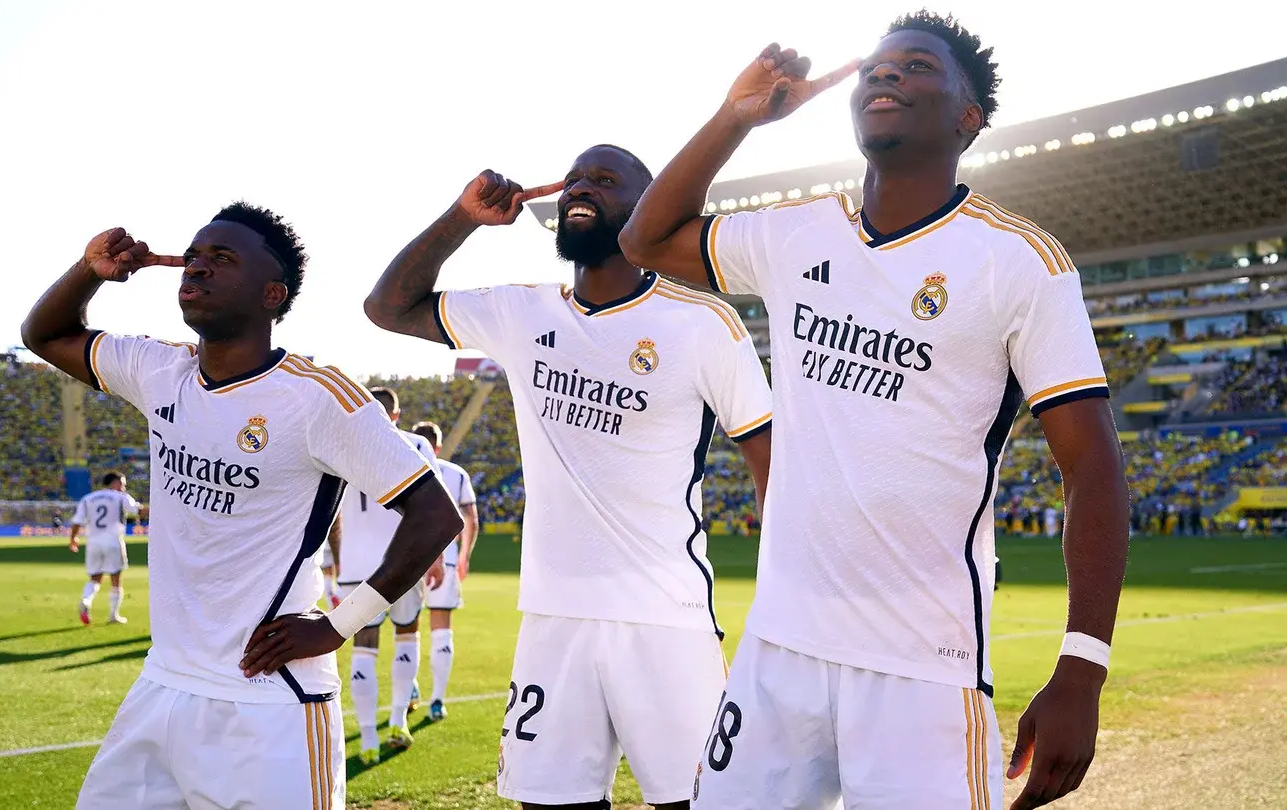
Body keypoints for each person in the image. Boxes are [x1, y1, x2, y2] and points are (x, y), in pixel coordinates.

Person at [620, 12, 1130, 809]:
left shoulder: (1018, 261)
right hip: (776, 653)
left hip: (922, 670)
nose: (884, 75)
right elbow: (645, 240)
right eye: (875, 67)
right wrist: (735, 119)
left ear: (970, 117)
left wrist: (1083, 665)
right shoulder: (796, 234)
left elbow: (1092, 466)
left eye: (918, 65)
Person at [366, 144, 774, 810]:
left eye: (606, 179)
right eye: (576, 177)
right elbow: (388, 307)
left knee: (703, 803)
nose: (582, 186)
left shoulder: (701, 322)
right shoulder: (522, 312)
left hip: (663, 618)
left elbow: (768, 462)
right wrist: (462, 218)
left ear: (647, 207)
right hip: (552, 616)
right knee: (550, 804)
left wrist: (780, 603)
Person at [21, 202, 462, 810]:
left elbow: (438, 514)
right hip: (162, 683)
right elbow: (43, 335)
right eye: (194, 255)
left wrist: (338, 624)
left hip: (269, 704)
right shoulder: (159, 369)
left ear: (271, 294)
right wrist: (89, 270)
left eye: (221, 259)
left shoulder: (316, 398)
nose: (196, 268)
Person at [329, 386, 444, 762]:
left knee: (364, 646)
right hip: (404, 559)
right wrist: (436, 557)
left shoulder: (340, 446)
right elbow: (432, 508)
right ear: (395, 415)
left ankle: (366, 741)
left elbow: (333, 516)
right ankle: (398, 720)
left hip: (358, 565)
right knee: (407, 634)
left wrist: (339, 559)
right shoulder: (417, 444)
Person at [410, 419, 480, 723]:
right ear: (437, 445)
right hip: (446, 559)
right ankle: (437, 701)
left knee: (406, 629)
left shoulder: (400, 468)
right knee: (441, 627)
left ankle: (408, 688)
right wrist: (464, 555)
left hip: (405, 559)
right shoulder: (456, 473)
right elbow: (471, 520)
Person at [67, 471, 140, 625]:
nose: (124, 487)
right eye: (122, 484)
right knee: (115, 579)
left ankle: (86, 601)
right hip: (113, 541)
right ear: (115, 483)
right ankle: (114, 615)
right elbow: (136, 511)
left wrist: (73, 538)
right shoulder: (121, 497)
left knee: (95, 578)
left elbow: (77, 521)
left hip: (93, 542)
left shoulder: (88, 498)